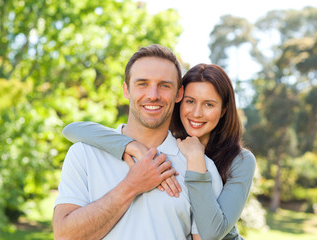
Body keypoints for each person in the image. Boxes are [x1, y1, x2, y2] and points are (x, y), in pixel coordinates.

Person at [63, 63, 256, 239]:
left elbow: (211, 234)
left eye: (209, 104)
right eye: (190, 101)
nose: (197, 113)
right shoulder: (168, 141)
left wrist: (196, 159)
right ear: (179, 100)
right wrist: (131, 146)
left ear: (223, 110)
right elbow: (72, 129)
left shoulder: (239, 161)